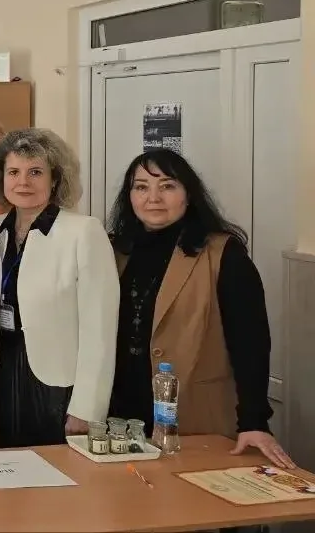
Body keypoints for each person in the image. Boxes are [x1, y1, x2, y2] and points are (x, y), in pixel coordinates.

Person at [105, 149, 292, 468]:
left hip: (195, 417)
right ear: (129, 196)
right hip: (122, 419)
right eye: (141, 187)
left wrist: (254, 420)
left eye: (167, 186)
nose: (153, 198)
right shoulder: (115, 251)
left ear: (188, 194)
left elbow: (251, 343)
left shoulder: (222, 253)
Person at [0, 129, 120, 447]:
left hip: (55, 385)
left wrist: (87, 408)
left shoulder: (83, 232)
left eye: (35, 172)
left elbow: (99, 329)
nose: (23, 182)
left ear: (55, 179)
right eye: (14, 172)